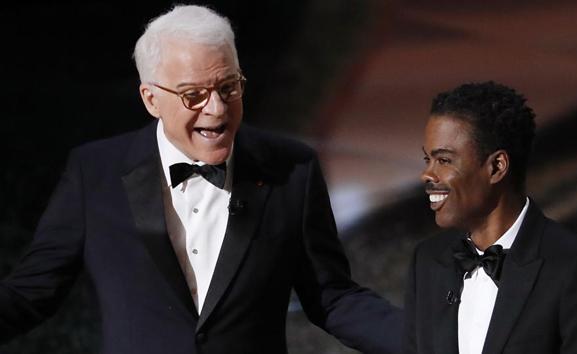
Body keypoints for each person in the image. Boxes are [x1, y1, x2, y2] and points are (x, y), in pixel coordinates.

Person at [0, 5, 402, 354]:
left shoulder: (291, 170)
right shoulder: (96, 172)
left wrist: (433, 341)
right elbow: (33, 291)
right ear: (151, 98)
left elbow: (332, 296)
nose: (217, 108)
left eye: (229, 87)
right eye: (194, 95)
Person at [404, 81, 577, 354]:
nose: (427, 175)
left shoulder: (576, 270)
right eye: (427, 159)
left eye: (444, 160)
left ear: (497, 167)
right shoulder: (428, 261)